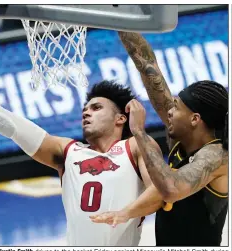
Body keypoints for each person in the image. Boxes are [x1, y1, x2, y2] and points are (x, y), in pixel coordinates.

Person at [0, 70, 163, 246]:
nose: (86, 113)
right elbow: (4, 121)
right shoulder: (68, 151)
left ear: (120, 119)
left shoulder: (135, 145)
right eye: (85, 109)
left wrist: (124, 214)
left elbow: (160, 191)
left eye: (96, 108)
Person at [90, 32, 228, 246]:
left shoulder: (218, 156)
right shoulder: (183, 135)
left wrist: (139, 131)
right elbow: (147, 64)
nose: (169, 111)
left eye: (176, 107)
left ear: (195, 119)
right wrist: (120, 22)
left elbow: (171, 189)